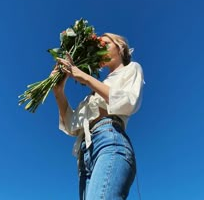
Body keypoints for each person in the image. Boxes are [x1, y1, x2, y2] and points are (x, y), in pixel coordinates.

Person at [51, 33, 145, 200]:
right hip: (84, 153)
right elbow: (71, 124)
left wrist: (85, 77)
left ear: (120, 47)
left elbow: (128, 101)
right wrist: (58, 91)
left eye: (105, 44)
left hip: (109, 140)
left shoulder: (131, 69)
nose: (100, 49)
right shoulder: (93, 94)